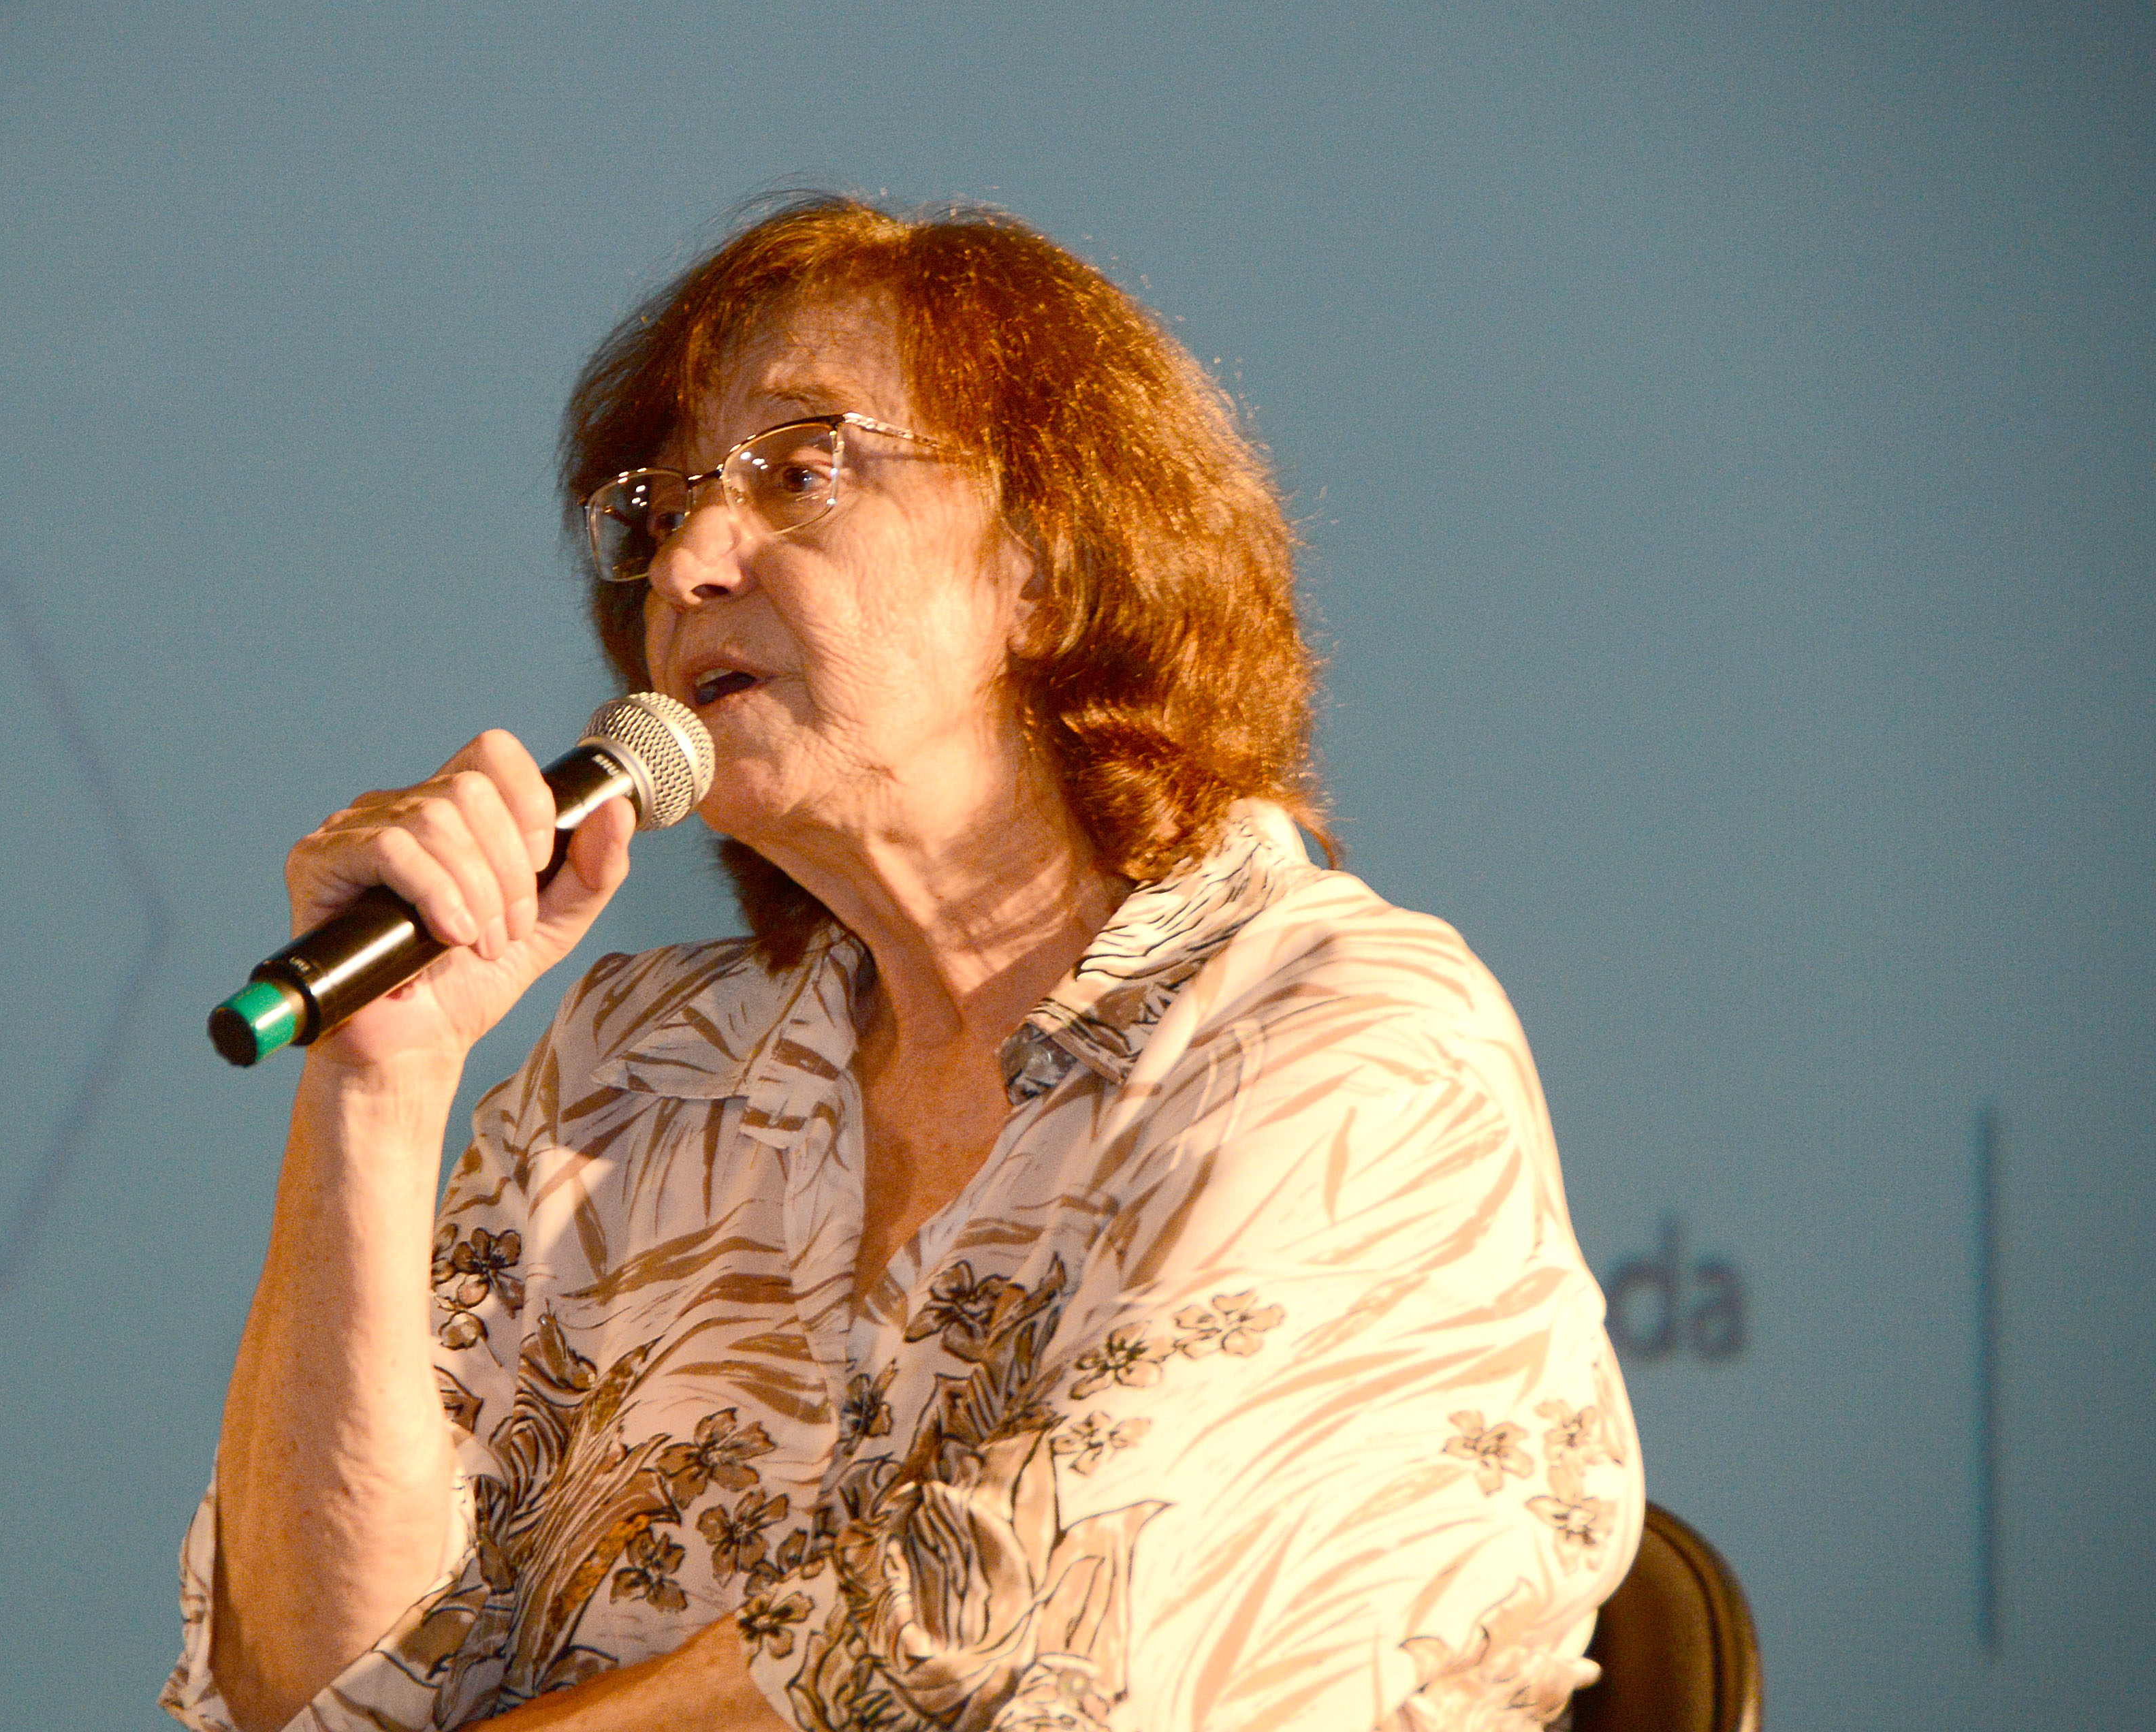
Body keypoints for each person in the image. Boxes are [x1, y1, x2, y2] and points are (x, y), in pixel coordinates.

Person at [164, 196, 1641, 1732]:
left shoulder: (1347, 1046)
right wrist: (380, 1087)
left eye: (799, 471)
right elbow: (305, 1694)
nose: (688, 566)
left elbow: (1020, 1644)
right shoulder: (634, 1070)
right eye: (659, 510)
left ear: (1049, 567)